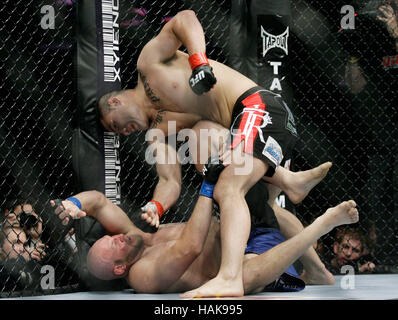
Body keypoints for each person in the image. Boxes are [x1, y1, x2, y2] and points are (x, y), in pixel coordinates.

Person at [97, 10, 332, 297]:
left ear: (117, 101)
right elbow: (170, 181)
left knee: (228, 189)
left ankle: (230, 277)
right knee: (209, 144)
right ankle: (291, 192)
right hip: (243, 127)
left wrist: (199, 63)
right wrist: (157, 207)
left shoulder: (148, 65)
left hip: (257, 107)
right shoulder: (158, 129)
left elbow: (185, 18)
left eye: (115, 125)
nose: (123, 132)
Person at [50, 187, 358, 296]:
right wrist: (207, 187)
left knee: (263, 202)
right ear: (120, 269)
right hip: (254, 261)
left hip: (242, 229)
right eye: (115, 245)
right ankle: (322, 225)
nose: (118, 237)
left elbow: (100, 202)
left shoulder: (138, 236)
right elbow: (191, 247)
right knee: (244, 277)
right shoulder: (143, 276)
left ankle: (317, 270)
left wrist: (70, 205)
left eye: (112, 236)